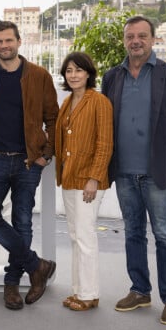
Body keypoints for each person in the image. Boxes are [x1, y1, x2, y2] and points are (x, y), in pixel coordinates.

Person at [101, 15, 166, 325]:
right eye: (130, 36)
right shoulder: (112, 77)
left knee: (165, 235)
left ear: (153, 40)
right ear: (125, 40)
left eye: (142, 35)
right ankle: (140, 290)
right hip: (124, 172)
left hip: (157, 172)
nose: (136, 41)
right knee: (133, 233)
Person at [0, 20, 58, 310]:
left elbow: (53, 118)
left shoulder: (39, 75)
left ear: (19, 42)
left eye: (9, 40)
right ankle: (37, 266)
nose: (4, 46)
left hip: (27, 161)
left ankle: (12, 284)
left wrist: (47, 154)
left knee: (22, 222)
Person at [55, 52, 113, 311]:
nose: (74, 75)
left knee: (86, 236)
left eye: (79, 70)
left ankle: (89, 295)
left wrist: (94, 178)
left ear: (89, 73)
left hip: (88, 181)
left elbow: (105, 143)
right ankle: (80, 291)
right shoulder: (67, 101)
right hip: (69, 178)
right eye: (69, 70)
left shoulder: (99, 102)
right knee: (76, 236)